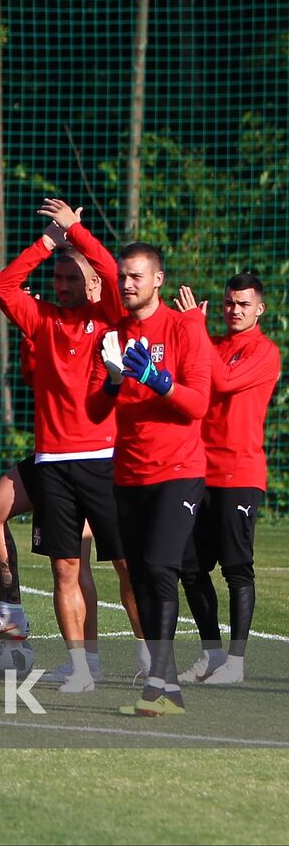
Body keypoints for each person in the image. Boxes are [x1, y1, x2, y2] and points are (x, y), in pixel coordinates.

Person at [0, 200, 144, 691]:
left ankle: (150, 655)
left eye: (71, 278)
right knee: (64, 568)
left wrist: (78, 232)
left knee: (124, 563)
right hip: (52, 461)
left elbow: (114, 273)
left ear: (92, 284)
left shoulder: (111, 317)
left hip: (104, 458)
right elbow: (2, 286)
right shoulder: (42, 321)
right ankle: (82, 666)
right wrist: (49, 243)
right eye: (57, 279)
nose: (61, 285)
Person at [88, 241, 212, 717]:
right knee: (140, 578)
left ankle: (156, 686)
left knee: (161, 568)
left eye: (136, 276)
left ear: (158, 279)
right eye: (122, 276)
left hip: (178, 471)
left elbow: (198, 404)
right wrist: (114, 381)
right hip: (129, 474)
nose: (126, 284)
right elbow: (97, 411)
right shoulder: (115, 333)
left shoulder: (184, 329)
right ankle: (171, 689)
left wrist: (159, 380)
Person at [174, 274, 280, 685]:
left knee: (237, 569)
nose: (234, 310)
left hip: (240, 473)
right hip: (201, 473)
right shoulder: (212, 342)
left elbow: (223, 380)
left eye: (242, 304)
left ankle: (236, 662)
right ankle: (212, 655)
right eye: (229, 303)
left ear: (259, 309)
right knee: (190, 567)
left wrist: (196, 330)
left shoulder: (265, 351)